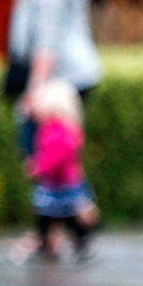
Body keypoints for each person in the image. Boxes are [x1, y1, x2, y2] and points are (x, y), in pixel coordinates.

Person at [4, 0, 102, 158]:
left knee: (45, 156)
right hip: (75, 75)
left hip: (56, 81)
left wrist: (34, 92)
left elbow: (46, 45)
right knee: (61, 155)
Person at [25, 77, 97, 262]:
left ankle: (73, 244)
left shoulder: (56, 130)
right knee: (57, 217)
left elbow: (56, 156)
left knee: (54, 217)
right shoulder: (58, 128)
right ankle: (63, 244)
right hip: (60, 182)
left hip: (60, 183)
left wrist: (39, 167)